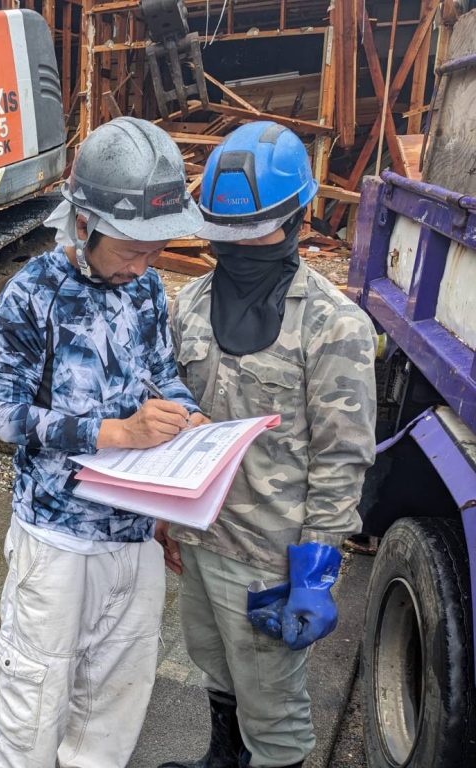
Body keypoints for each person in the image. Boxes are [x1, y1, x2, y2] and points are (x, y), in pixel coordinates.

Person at [0, 116, 205, 768]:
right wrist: (116, 433)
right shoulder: (31, 297)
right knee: (33, 702)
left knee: (113, 704)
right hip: (58, 540)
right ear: (83, 224)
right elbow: (9, 418)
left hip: (132, 533)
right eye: (131, 249)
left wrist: (191, 420)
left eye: (154, 251)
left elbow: (162, 374)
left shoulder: (146, 289)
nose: (143, 265)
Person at [160, 121, 377, 768]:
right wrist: (166, 520)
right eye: (225, 230)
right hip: (199, 541)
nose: (235, 244)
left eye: (251, 229)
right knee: (215, 665)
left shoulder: (334, 326)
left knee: (275, 714)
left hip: (271, 562)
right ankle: (221, 758)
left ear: (294, 218)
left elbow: (342, 460)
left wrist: (316, 573)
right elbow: (176, 420)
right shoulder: (190, 304)